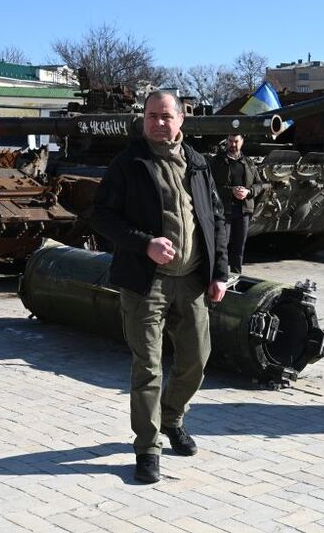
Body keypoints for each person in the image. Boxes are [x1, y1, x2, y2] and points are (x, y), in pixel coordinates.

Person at [91, 90, 228, 484]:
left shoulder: (198, 164)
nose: (158, 123)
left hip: (193, 281)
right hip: (145, 283)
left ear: (181, 119)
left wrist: (220, 272)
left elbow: (216, 220)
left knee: (196, 361)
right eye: (152, 116)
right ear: (144, 119)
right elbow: (101, 215)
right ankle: (147, 448)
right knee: (147, 368)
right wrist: (143, 243)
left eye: (166, 116)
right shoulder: (129, 163)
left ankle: (172, 418)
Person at [208, 134, 263, 275]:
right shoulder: (217, 162)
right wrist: (230, 191)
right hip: (224, 210)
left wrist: (248, 192)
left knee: (239, 247)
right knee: (222, 245)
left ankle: (237, 275)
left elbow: (260, 184)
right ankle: (220, 276)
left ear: (242, 142)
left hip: (243, 210)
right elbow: (210, 185)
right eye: (230, 141)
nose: (233, 144)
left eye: (236, 141)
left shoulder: (248, 162)